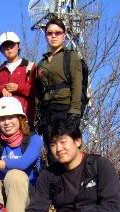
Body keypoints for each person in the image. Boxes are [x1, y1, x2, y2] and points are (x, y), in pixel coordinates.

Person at [35, 17, 84, 148]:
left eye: (57, 33)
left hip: (64, 108)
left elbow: (77, 84)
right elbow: (38, 92)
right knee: (52, 149)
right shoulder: (42, 63)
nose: (53, 36)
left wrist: (74, 112)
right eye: (50, 33)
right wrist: (36, 115)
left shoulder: (70, 56)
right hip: (47, 112)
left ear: (64, 35)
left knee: (65, 148)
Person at [0, 32, 37, 126]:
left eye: (11, 45)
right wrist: (1, 89)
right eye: (5, 46)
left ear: (19, 46)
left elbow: (37, 92)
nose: (8, 48)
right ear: (1, 50)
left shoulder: (30, 67)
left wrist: (18, 88)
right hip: (3, 122)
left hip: (25, 120)